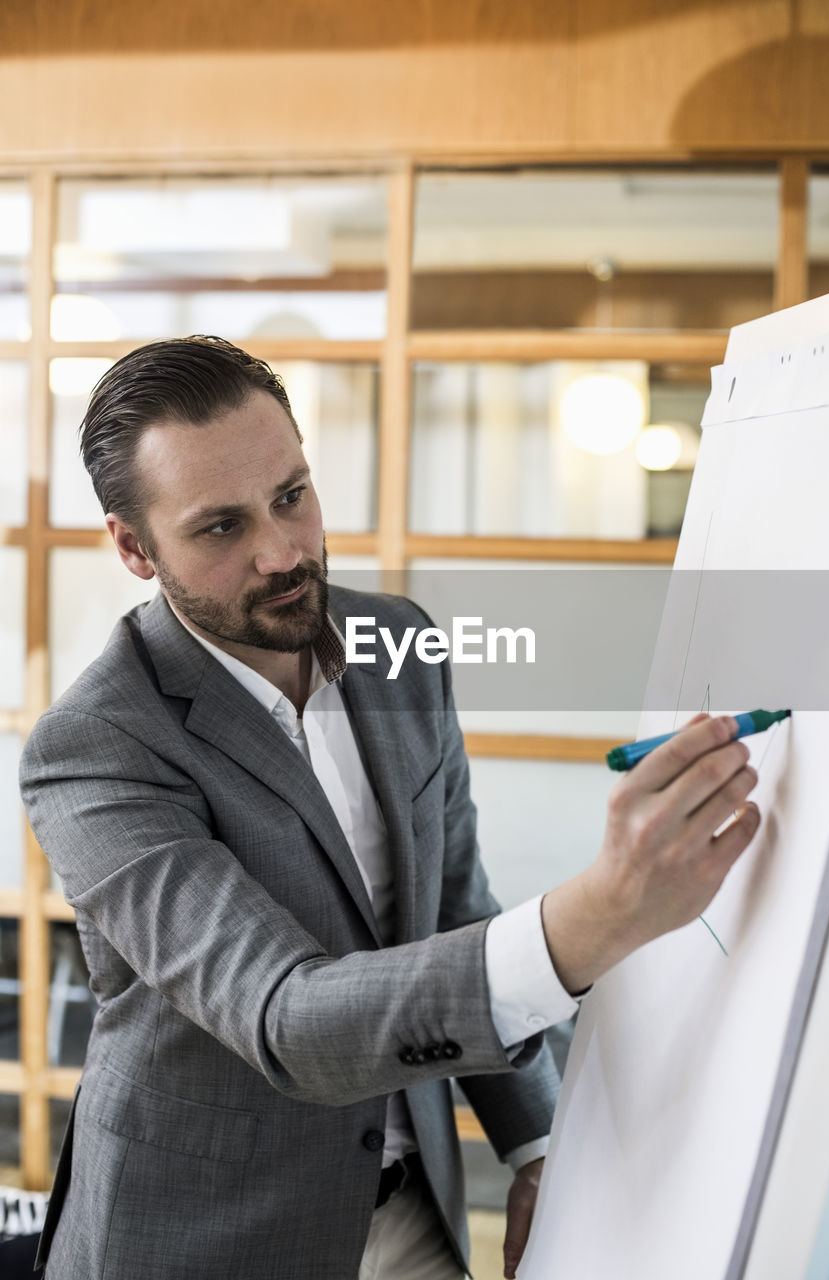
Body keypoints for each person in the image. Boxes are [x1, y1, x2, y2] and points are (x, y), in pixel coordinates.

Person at [19, 337, 760, 1280]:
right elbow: (285, 1016)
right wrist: (594, 919)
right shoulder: (95, 746)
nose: (284, 551)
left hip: (416, 1213)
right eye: (220, 529)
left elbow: (453, 906)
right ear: (134, 547)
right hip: (207, 1240)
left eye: (292, 494)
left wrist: (536, 1147)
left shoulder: (396, 642)